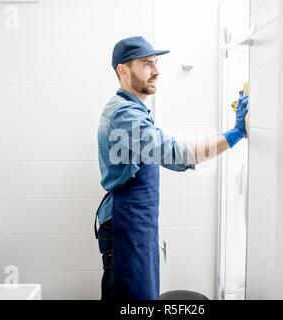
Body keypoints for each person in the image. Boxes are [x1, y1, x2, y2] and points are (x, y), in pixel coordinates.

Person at [94, 36, 249, 300]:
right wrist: (234, 135)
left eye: (155, 63)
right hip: (126, 224)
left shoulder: (134, 109)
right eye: (146, 64)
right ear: (122, 70)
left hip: (135, 223)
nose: (156, 71)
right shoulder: (125, 114)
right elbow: (177, 154)